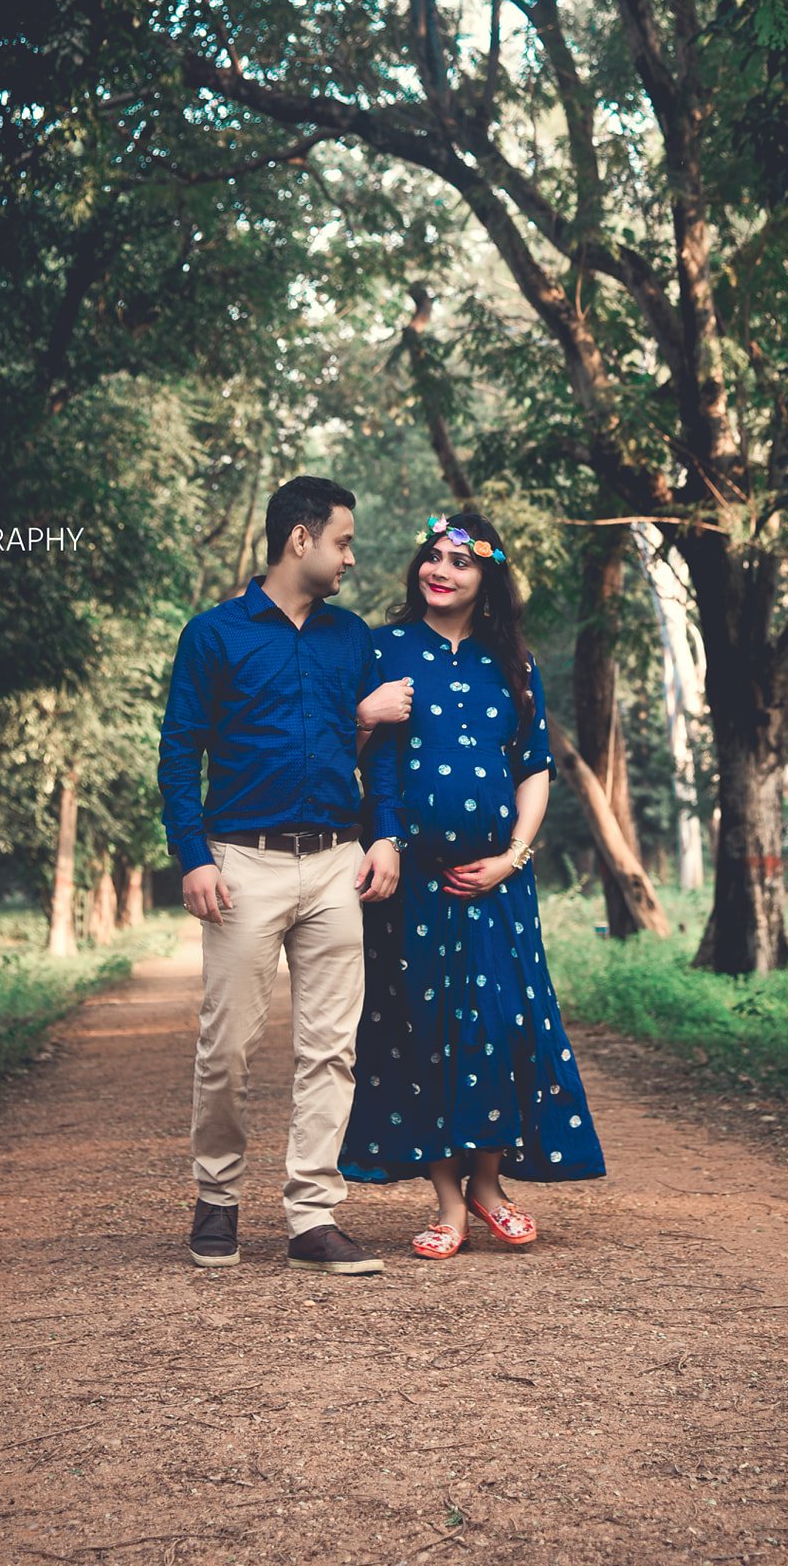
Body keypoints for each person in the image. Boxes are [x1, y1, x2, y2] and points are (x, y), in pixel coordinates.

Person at [157, 476, 409, 1276]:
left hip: (338, 862)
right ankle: (217, 1199)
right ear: (300, 539)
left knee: (331, 1049)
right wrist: (194, 856)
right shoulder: (213, 635)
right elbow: (178, 751)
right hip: (242, 864)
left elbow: (379, 751)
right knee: (227, 1047)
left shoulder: (351, 637)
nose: (350, 558)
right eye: (343, 541)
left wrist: (386, 836)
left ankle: (312, 1215)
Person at [342, 510, 605, 1257]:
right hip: (410, 885)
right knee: (420, 1031)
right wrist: (364, 722)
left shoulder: (515, 663)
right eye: (433, 556)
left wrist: (512, 857)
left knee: (499, 1026)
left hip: (496, 887)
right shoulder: (383, 649)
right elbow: (358, 758)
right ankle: (449, 1204)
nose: (441, 570)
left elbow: (534, 770)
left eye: (460, 561)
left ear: (487, 577)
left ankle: (489, 1185)